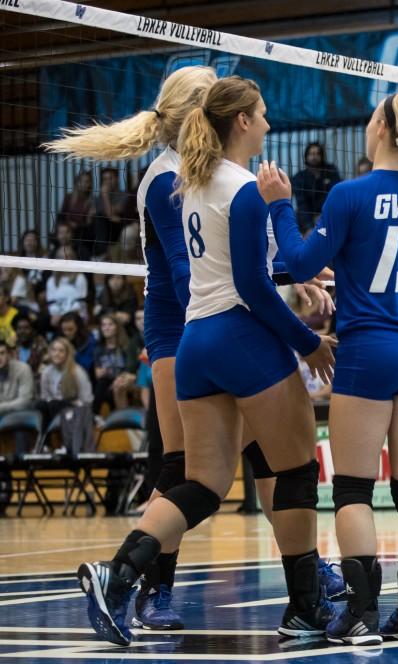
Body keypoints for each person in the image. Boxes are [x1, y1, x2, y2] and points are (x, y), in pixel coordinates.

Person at [45, 67, 343, 633]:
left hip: (202, 331)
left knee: (214, 476)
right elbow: (220, 277)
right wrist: (303, 335)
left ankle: (122, 575)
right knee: (268, 463)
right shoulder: (178, 180)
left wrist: (285, 271)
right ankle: (282, 597)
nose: (267, 121)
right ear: (227, 116)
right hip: (196, 328)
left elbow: (228, 264)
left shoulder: (201, 177)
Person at [258, 90, 398, 645]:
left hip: (371, 348)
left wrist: (280, 205)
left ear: (380, 127)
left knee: (353, 489)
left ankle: (360, 615)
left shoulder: (349, 194)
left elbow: (298, 264)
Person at [37, 336, 93, 430]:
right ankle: (46, 441)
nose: (56, 354)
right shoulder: (47, 371)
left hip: (76, 408)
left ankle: (65, 438)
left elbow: (87, 400)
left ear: (67, 354)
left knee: (54, 404)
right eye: (54, 350)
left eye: (61, 351)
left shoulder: (78, 372)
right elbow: (45, 396)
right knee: (40, 404)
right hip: (54, 406)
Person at [91, 314, 139, 414]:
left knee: (115, 384)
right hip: (107, 383)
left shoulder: (127, 345)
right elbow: (97, 374)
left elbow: (131, 370)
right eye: (103, 325)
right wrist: (101, 372)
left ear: (117, 328)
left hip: (126, 380)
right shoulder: (98, 349)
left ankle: (118, 417)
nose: (106, 328)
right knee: (103, 382)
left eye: (110, 325)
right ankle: (96, 415)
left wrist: (118, 379)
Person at [291, 142, 341, 233]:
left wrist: (323, 216)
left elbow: (336, 196)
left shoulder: (331, 172)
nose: (314, 157)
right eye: (311, 154)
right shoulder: (299, 178)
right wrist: (308, 227)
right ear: (306, 156)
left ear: (322, 156)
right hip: (307, 221)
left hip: (330, 217)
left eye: (317, 153)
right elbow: (302, 205)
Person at [0, 341, 35, 454]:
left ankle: (21, 463)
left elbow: (25, 402)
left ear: (9, 354)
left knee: (19, 421)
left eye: (2, 353)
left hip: (22, 413)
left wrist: (2, 407)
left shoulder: (23, 369)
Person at [45, 247, 88, 329]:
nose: (65, 260)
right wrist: (58, 314)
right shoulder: (51, 280)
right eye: (61, 258)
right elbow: (51, 303)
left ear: (73, 259)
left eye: (68, 257)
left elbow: (80, 303)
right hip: (58, 316)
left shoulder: (80, 277)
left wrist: (65, 316)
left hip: (77, 314)